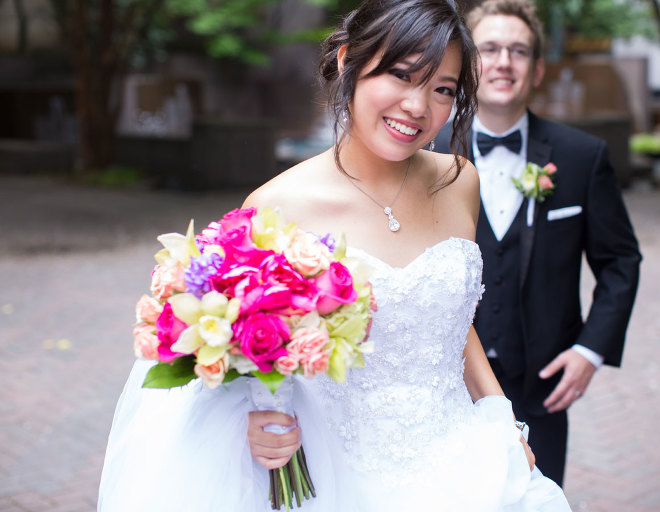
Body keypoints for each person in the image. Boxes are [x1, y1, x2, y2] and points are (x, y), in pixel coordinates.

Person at [98, 1, 572, 510]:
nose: (417, 106)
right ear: (348, 60)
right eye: (401, 74)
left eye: (442, 89)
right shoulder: (277, 206)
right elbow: (238, 354)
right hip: (338, 471)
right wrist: (259, 419)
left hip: (463, 459)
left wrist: (501, 419)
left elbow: (451, 322)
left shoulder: (459, 182)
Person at [434, 0, 642, 487]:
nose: (504, 61)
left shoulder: (581, 155)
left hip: (542, 391)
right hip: (444, 388)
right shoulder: (427, 153)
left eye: (519, 50)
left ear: (538, 68)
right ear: (467, 64)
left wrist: (591, 349)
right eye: (489, 48)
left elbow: (620, 261)